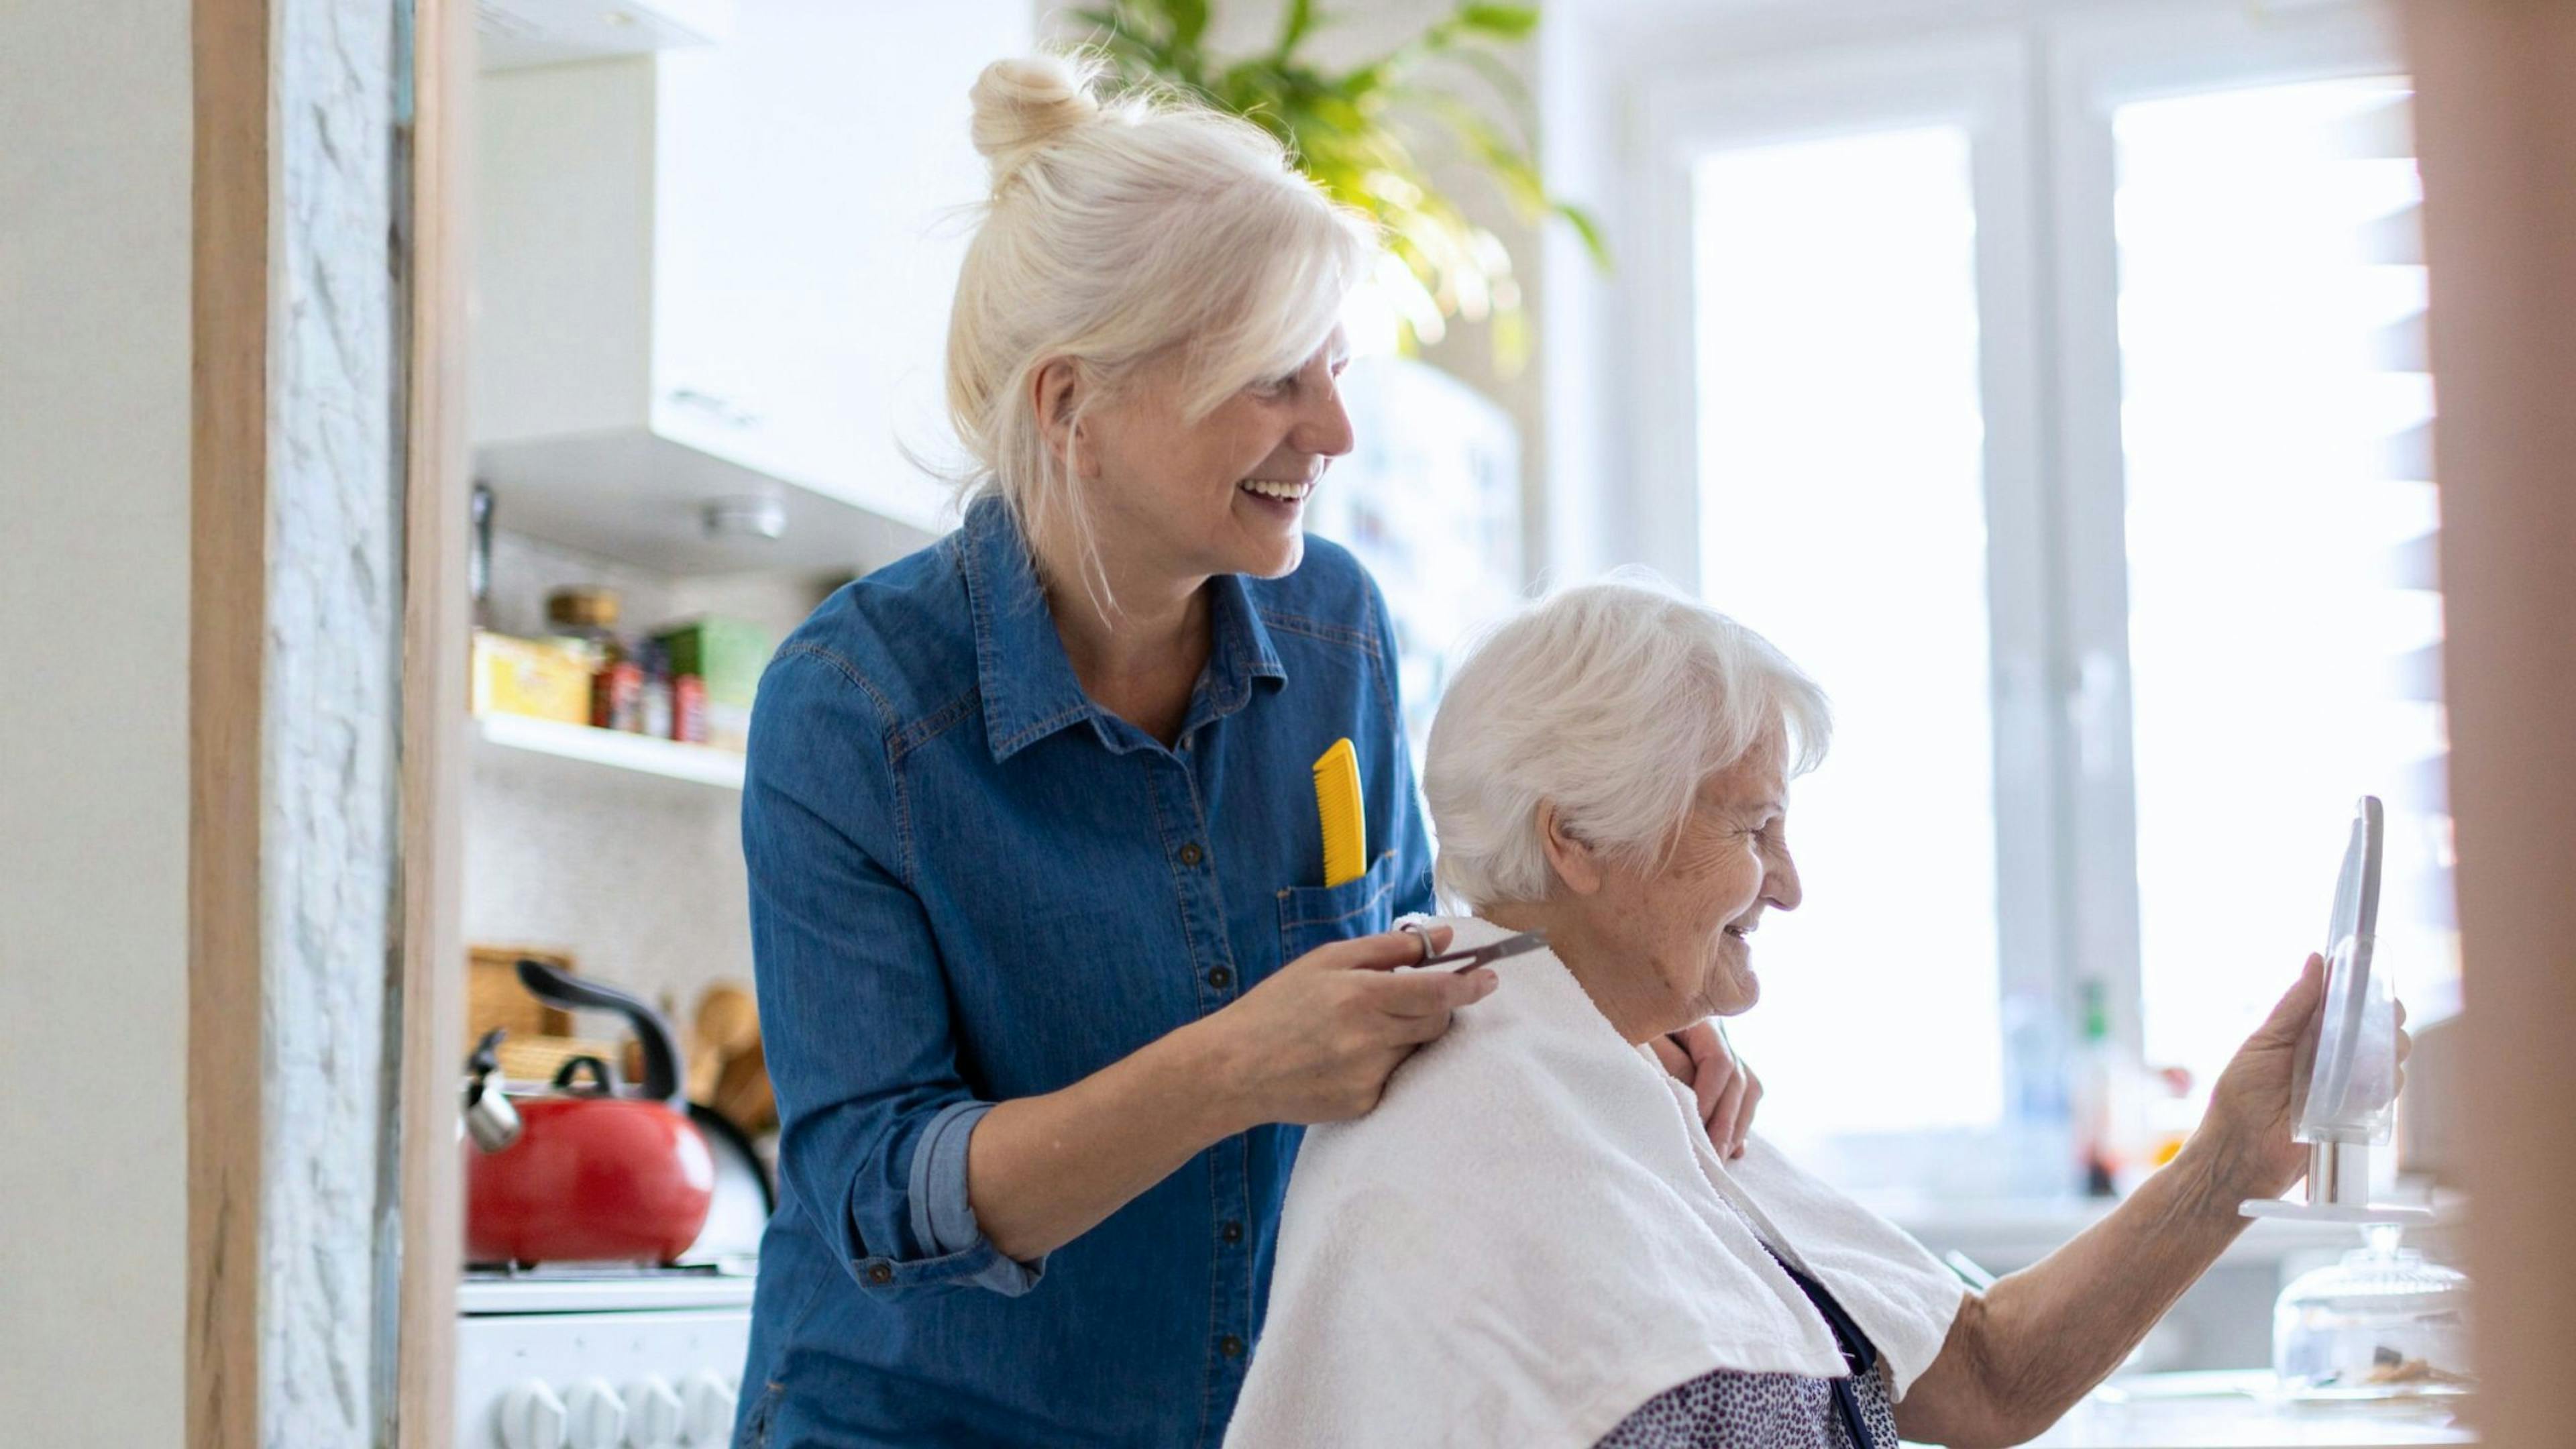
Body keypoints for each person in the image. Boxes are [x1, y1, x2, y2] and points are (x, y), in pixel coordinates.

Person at [733, 58, 1756, 1448]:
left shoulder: (1335, 631)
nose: (1334, 434)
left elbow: (1408, 965)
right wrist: (1234, 1067)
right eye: (1275, 380)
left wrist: (1594, 1003)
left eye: (1332, 370)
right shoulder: (851, 707)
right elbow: (874, 1194)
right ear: (1071, 404)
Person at [1226, 578, 2410, 1449]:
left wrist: (2232, 1160)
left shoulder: (1636, 1086)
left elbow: (1988, 1378)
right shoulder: (1472, 1132)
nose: (1788, 886)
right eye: (1751, 829)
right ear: (1576, 839)